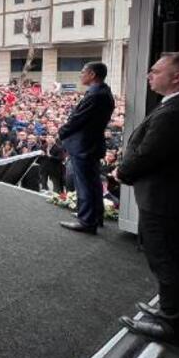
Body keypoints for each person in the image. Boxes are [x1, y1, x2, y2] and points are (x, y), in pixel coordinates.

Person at [116, 52, 179, 345]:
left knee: (165, 258)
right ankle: (172, 310)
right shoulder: (173, 107)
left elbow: (149, 153)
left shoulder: (174, 112)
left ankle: (173, 324)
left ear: (178, 77)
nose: (149, 75)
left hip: (163, 199)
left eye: (156, 71)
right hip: (167, 196)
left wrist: (122, 172)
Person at [57, 62, 115, 234]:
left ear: (92, 74)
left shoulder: (95, 95)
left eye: (82, 72)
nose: (80, 75)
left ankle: (87, 221)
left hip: (84, 145)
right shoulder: (103, 91)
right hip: (91, 144)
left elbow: (77, 120)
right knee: (93, 182)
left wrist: (61, 132)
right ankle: (95, 215)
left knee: (84, 184)